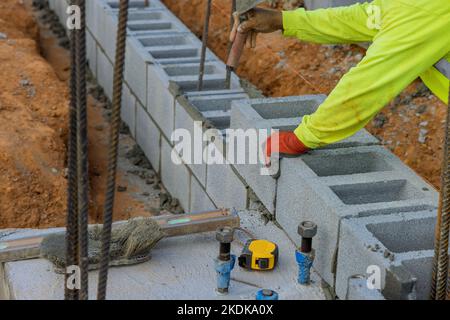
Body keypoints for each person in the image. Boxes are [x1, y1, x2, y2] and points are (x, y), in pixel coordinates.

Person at [229, 0, 450, 164]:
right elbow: (368, 18)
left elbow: (367, 85)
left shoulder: (427, 8)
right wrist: (283, 20)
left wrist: (303, 138)